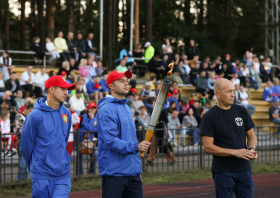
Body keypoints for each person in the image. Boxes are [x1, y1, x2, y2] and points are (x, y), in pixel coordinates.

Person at [97, 70, 151, 198]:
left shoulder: (127, 108)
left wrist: (136, 169)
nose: (126, 84)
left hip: (133, 174)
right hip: (114, 174)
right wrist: (136, 147)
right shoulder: (106, 109)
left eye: (126, 81)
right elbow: (111, 141)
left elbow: (130, 138)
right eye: (121, 81)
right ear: (111, 86)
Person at [201, 78, 257, 198]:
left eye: (233, 91)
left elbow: (251, 135)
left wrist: (251, 149)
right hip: (223, 171)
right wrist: (234, 152)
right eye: (229, 91)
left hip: (245, 169)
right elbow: (208, 147)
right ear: (218, 94)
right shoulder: (209, 116)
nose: (233, 94)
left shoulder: (241, 110)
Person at [21, 75, 75, 197]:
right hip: (41, 175)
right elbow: (26, 147)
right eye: (62, 89)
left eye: (67, 89)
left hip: (63, 173)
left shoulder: (66, 113)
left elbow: (64, 140)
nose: (66, 92)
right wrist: (37, 165)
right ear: (51, 89)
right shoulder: (34, 116)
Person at [147, 100, 176, 166]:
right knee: (153, 145)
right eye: (153, 103)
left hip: (162, 131)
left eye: (154, 103)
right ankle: (150, 159)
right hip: (154, 130)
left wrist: (159, 121)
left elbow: (166, 121)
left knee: (165, 145)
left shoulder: (163, 111)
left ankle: (172, 159)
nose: (153, 105)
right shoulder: (152, 112)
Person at [15, 103, 34, 180]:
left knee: (28, 164)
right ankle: (21, 181)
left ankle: (24, 181)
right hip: (22, 143)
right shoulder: (19, 116)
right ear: (25, 108)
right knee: (23, 163)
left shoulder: (30, 117)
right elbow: (18, 130)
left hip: (30, 143)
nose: (30, 113)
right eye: (29, 111)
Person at [79, 102, 98, 175]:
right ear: (88, 109)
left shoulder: (97, 116)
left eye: (94, 108)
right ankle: (80, 173)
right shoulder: (85, 115)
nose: (92, 110)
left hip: (90, 140)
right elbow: (89, 128)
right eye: (91, 108)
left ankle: (91, 172)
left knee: (94, 155)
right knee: (79, 156)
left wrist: (91, 126)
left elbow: (97, 128)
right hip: (81, 138)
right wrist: (92, 119)